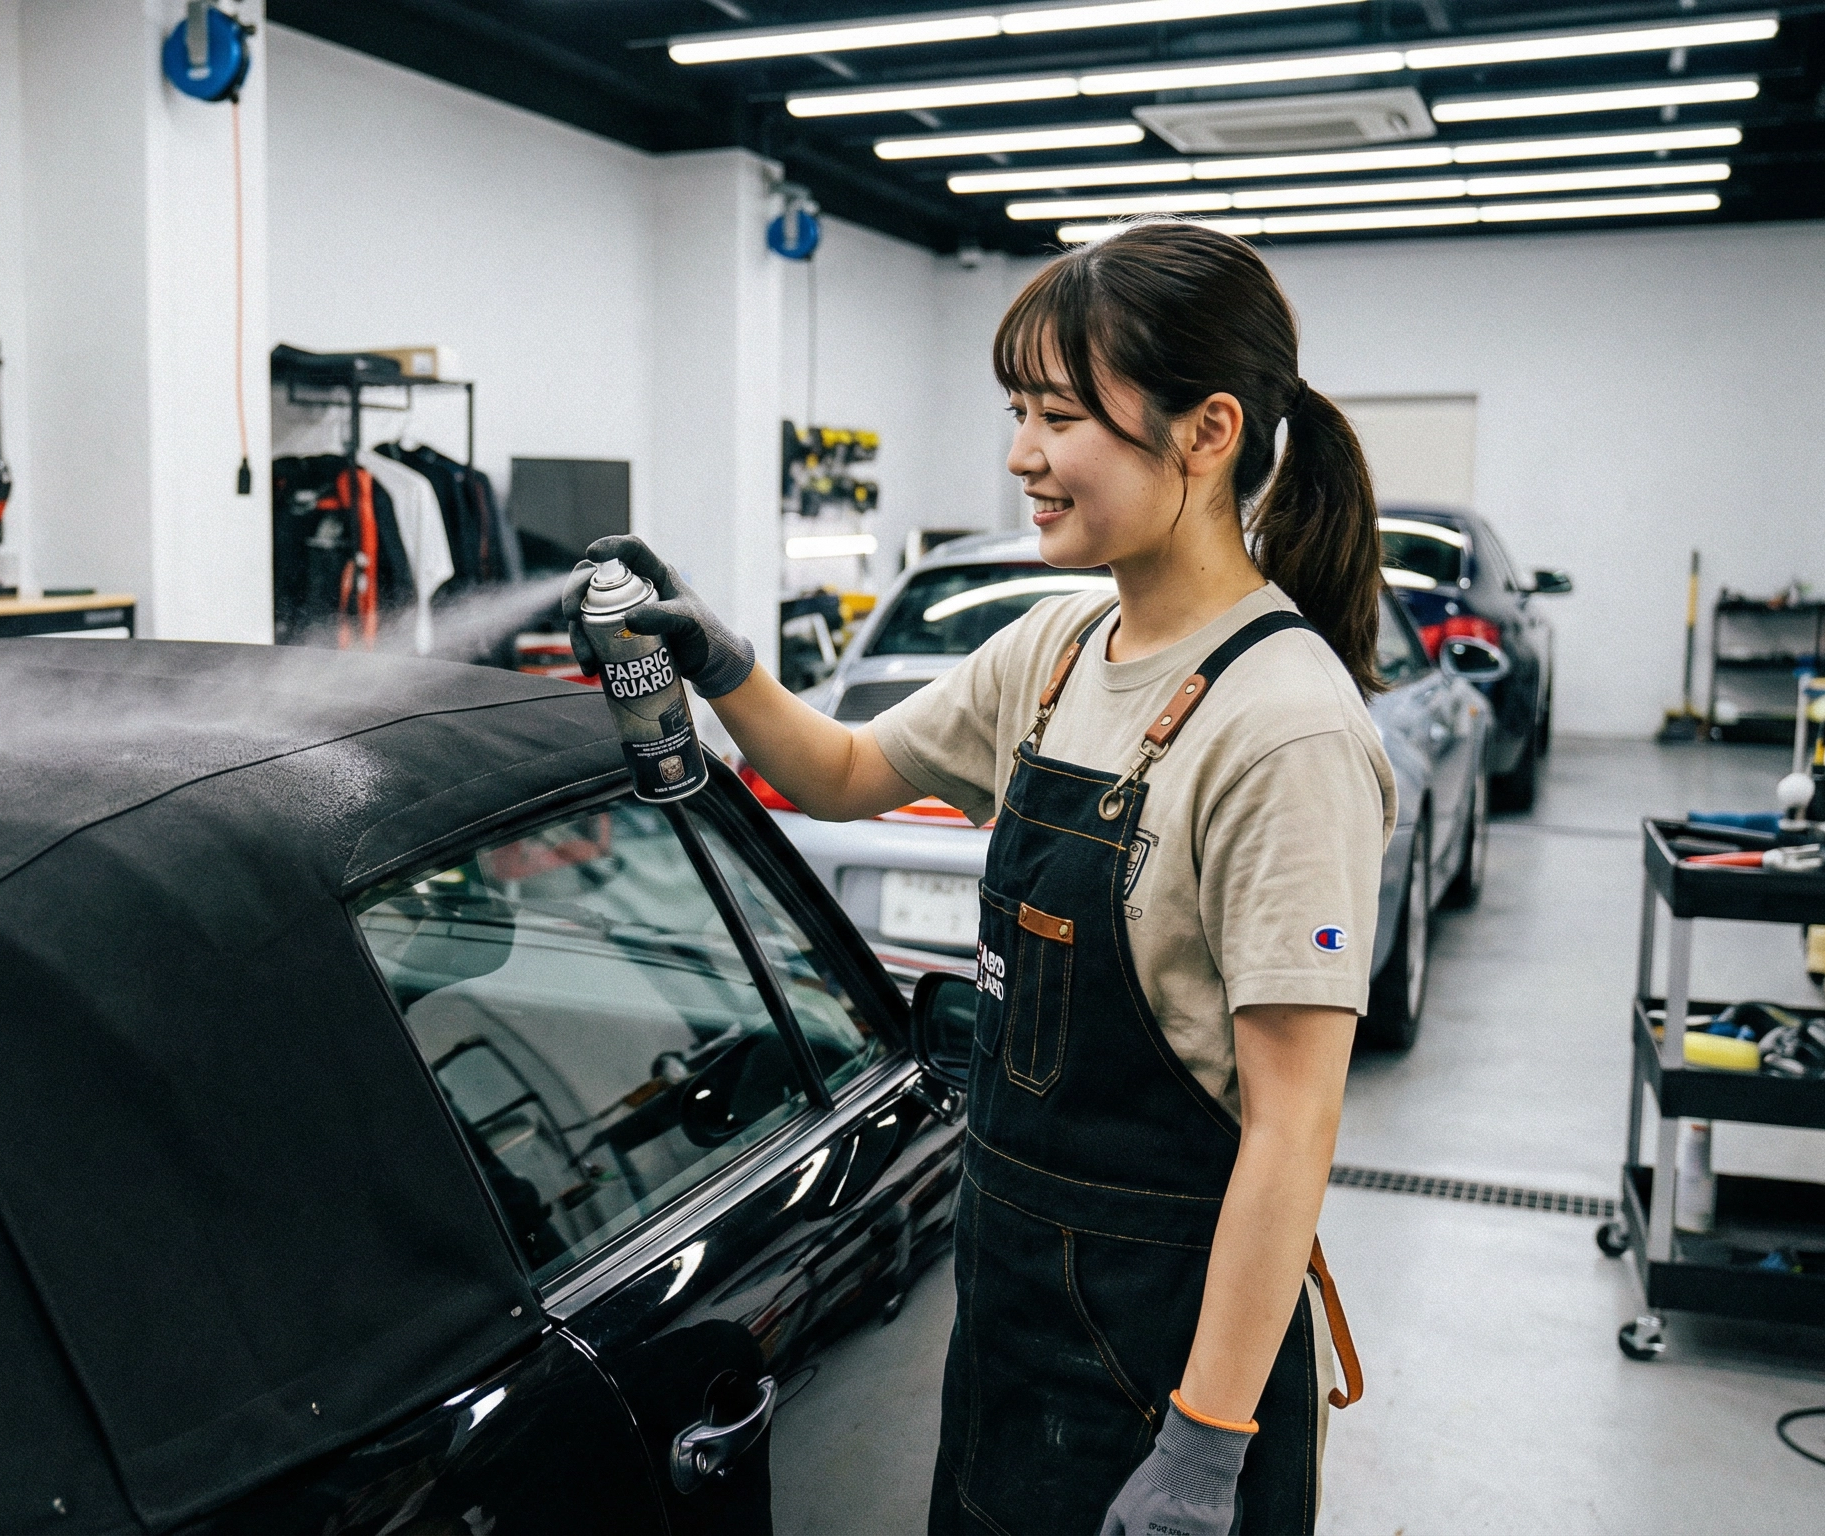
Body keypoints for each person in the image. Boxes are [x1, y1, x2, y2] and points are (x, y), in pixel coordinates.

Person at [563, 219, 1386, 1536]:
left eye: (1059, 415)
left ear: (1208, 429)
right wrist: (719, 660)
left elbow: (1294, 1130)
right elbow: (839, 771)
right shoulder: (1058, 650)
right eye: (1017, 411)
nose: (1020, 456)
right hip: (1012, 1325)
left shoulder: (1281, 727)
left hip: (1164, 1365)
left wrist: (1205, 1447)